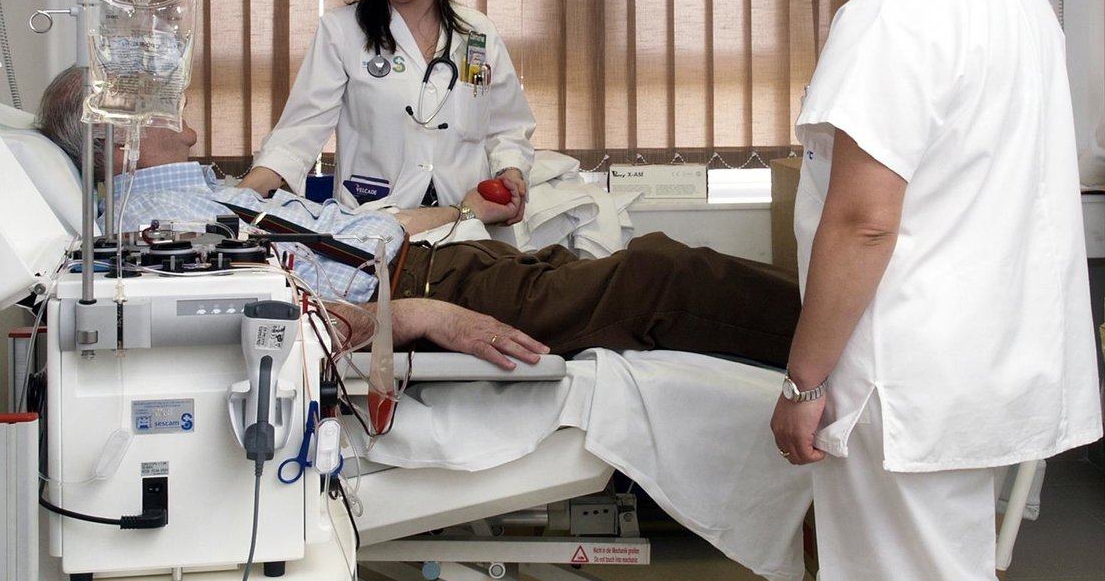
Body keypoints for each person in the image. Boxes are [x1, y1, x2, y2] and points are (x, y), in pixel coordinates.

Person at [774, 0, 1103, 581]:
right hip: (980, 365)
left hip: (903, 381)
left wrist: (803, 382)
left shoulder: (893, 13)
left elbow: (863, 220)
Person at [39, 66, 799, 370]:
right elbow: (278, 315)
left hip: (439, 259)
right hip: (421, 291)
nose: (174, 99)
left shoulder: (199, 194)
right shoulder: (149, 228)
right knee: (659, 277)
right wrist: (418, 315)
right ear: (118, 137)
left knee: (655, 267)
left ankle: (826, 331)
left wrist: (461, 212)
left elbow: (327, 237)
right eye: (148, 98)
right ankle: (827, 349)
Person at [241, 0, 535, 225]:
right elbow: (296, 137)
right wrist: (238, 199)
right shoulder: (342, 31)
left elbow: (507, 128)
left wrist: (510, 170)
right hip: (376, 226)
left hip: (469, 224)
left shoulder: (477, 33)